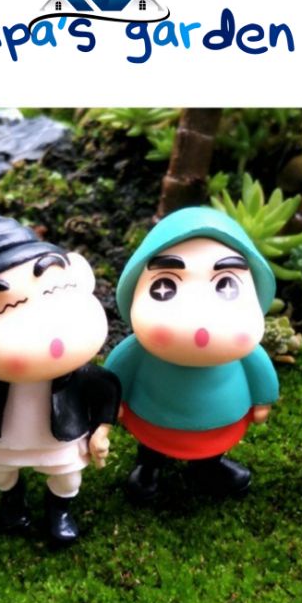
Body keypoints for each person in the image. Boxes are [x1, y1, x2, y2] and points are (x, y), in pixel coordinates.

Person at [0, 213, 121, 546]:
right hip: (0, 436)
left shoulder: (79, 374)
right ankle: (12, 497)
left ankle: (59, 510)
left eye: (56, 290)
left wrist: (100, 431)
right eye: (1, 311)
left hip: (61, 434)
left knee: (67, 477)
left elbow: (105, 391)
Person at [105, 206, 279, 502]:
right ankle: (149, 467)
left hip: (221, 415)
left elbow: (260, 371)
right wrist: (113, 402)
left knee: (211, 448)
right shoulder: (138, 351)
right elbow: (115, 372)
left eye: (226, 285)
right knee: (152, 447)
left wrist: (263, 399)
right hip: (153, 414)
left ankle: (208, 466)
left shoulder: (248, 353)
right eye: (165, 286)